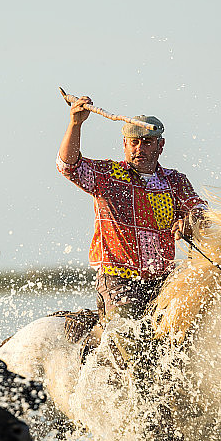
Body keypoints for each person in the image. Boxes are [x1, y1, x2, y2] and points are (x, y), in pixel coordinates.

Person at [57, 96, 208, 322]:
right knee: (130, 335)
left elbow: (202, 213)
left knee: (196, 326)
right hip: (118, 280)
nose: (140, 148)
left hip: (164, 281)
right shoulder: (109, 175)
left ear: (160, 145)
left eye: (147, 142)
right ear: (125, 144)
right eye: (134, 142)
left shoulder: (175, 181)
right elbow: (68, 166)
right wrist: (75, 124)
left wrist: (190, 222)